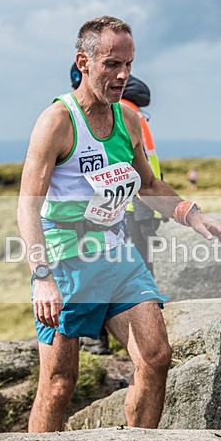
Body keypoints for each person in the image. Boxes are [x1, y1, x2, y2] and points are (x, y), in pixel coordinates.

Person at [18, 16, 221, 432]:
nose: (123, 76)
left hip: (116, 253)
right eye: (112, 64)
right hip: (66, 260)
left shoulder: (128, 121)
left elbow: (148, 184)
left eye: (129, 65)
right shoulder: (57, 121)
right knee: (60, 384)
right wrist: (42, 276)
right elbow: (27, 206)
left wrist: (191, 213)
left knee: (155, 358)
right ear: (84, 61)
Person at [69, 64, 165, 355]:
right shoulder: (134, 113)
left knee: (107, 271)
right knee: (134, 272)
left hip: (127, 209)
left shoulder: (116, 114)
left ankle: (99, 341)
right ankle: (130, 343)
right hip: (142, 208)